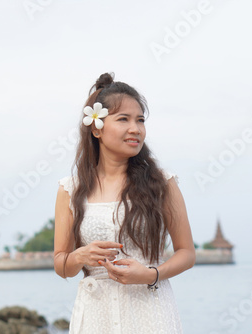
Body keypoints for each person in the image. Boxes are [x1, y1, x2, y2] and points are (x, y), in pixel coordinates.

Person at [54, 73, 195, 333]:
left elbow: (187, 252)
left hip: (150, 311)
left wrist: (151, 275)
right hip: (95, 315)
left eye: (140, 120)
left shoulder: (162, 183)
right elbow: (61, 265)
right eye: (123, 119)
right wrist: (79, 255)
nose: (136, 129)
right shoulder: (71, 190)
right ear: (96, 128)